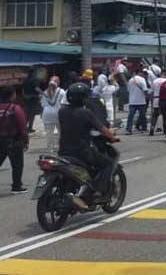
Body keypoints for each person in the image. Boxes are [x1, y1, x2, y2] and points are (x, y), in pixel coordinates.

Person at [58, 82, 120, 210]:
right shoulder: (85, 113)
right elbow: (102, 129)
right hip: (82, 152)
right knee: (108, 163)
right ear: (84, 98)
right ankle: (98, 190)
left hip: (63, 151)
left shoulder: (62, 111)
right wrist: (112, 136)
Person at [41, 78, 64, 152]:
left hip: (47, 113)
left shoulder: (45, 92)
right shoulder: (61, 91)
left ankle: (50, 148)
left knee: (49, 132)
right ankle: (58, 146)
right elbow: (63, 103)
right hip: (58, 112)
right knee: (60, 131)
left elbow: (42, 104)